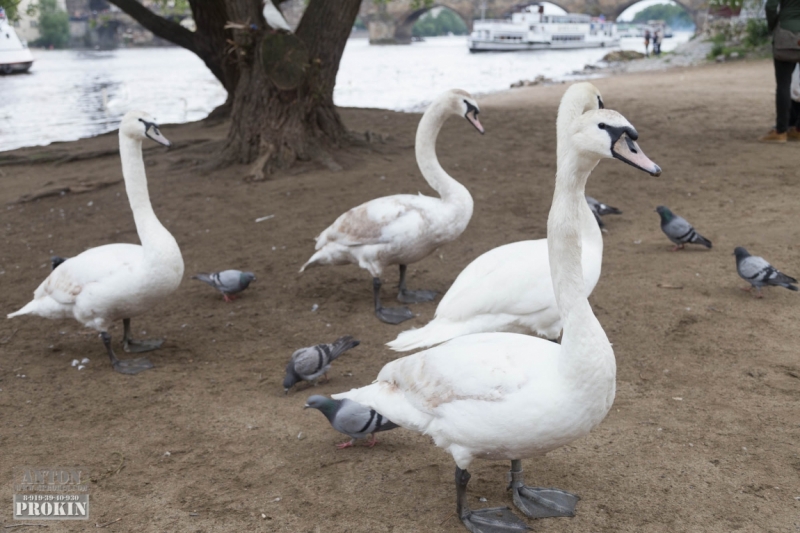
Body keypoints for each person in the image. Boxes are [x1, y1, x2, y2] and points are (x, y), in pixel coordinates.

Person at [761, 0, 800, 142]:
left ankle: (781, 131)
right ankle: (798, 129)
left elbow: (771, 6)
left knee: (783, 84)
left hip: (785, 33)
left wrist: (773, 25)